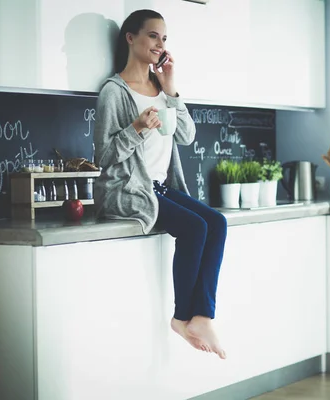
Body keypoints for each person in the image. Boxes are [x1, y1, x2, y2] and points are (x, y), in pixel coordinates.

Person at [93, 9, 227, 359]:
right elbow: (104, 156)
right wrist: (136, 128)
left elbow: (185, 135)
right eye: (153, 35)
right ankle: (184, 317)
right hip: (128, 190)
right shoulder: (114, 92)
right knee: (195, 227)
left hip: (160, 188)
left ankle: (201, 315)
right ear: (131, 38)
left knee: (217, 222)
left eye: (164, 38)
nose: (159, 44)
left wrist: (171, 89)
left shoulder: (162, 90)